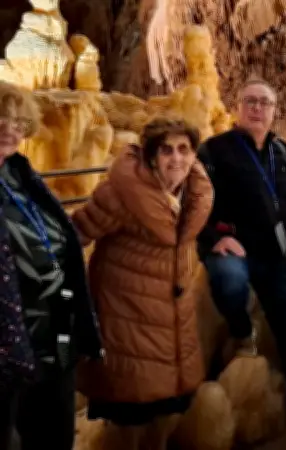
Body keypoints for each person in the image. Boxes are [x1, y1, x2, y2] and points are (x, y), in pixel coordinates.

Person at [71, 118, 212, 449]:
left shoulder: (194, 193)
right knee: (130, 412)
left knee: (166, 406)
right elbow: (75, 233)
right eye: (166, 150)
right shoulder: (124, 193)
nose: (176, 159)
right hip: (126, 315)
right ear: (151, 156)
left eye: (184, 150)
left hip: (172, 317)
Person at [197, 78, 286, 423]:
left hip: (271, 250)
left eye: (265, 103)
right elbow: (194, 200)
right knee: (230, 281)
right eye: (250, 101)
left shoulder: (279, 152)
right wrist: (212, 238)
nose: (257, 108)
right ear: (238, 107)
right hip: (231, 245)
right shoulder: (214, 149)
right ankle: (241, 330)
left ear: (274, 111)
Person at [0, 80, 103, 450]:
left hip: (55, 337)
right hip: (10, 346)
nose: (8, 128)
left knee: (55, 437)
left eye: (17, 120)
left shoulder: (21, 176)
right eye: (0, 118)